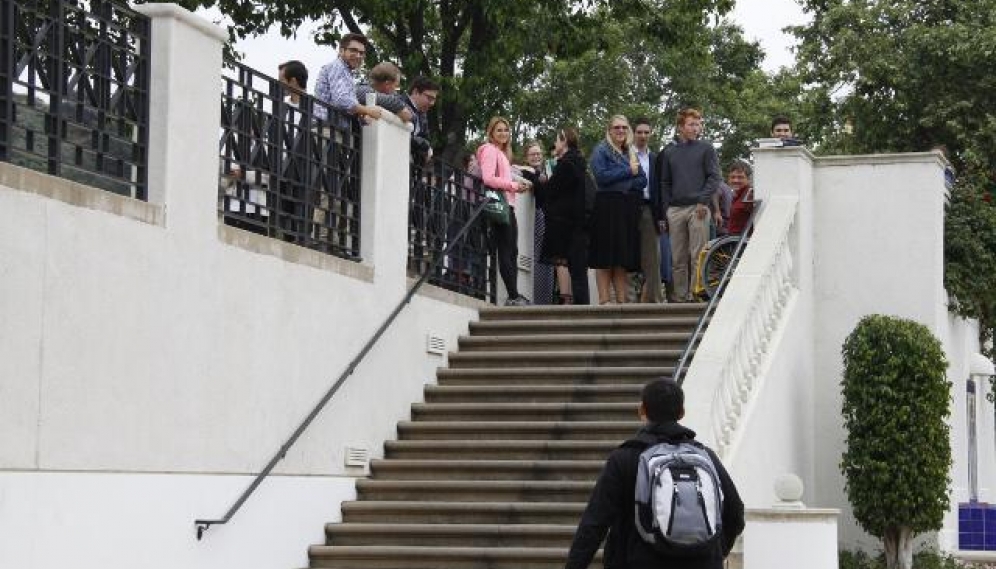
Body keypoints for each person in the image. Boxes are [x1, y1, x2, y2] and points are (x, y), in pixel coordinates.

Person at [564, 377, 745, 569]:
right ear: (682, 412)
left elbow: (594, 524)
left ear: (642, 410)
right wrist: (714, 549)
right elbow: (735, 512)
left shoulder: (625, 458)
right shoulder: (705, 456)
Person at [660, 108, 721, 303]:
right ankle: (680, 297)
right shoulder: (669, 152)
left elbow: (714, 177)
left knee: (698, 254)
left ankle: (697, 294)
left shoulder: (706, 149)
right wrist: (666, 209)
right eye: (691, 124)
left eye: (698, 123)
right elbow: (664, 182)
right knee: (677, 258)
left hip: (698, 207)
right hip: (675, 209)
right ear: (680, 127)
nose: (696, 128)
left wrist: (703, 201)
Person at [589, 115, 646, 305]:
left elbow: (643, 180)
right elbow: (602, 177)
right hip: (606, 206)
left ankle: (622, 303)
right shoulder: (601, 150)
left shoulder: (631, 151)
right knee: (604, 256)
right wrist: (629, 171)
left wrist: (626, 181)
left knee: (622, 256)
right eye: (616, 128)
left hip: (625, 208)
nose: (621, 131)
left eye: (624, 127)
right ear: (609, 130)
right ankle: (605, 301)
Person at [478, 116, 531, 306]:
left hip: (507, 206)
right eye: (499, 130)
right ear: (491, 132)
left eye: (506, 130)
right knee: (506, 251)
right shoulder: (490, 150)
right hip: (499, 206)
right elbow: (488, 178)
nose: (503, 133)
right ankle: (513, 295)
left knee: (512, 251)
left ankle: (513, 294)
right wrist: (513, 186)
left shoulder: (501, 153)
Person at [533, 128, 587, 305]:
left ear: (564, 142)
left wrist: (532, 178)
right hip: (576, 223)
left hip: (567, 225)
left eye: (557, 140)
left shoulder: (566, 164)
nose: (555, 144)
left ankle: (582, 311)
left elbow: (551, 190)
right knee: (577, 270)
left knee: (576, 270)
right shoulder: (577, 162)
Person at [313, 33, 382, 125]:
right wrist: (367, 110)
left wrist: (361, 115)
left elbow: (344, 104)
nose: (358, 55)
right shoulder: (338, 67)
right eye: (353, 50)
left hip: (331, 128)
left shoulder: (345, 71)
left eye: (361, 53)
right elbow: (342, 100)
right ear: (341, 51)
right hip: (327, 129)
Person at [632, 118, 664, 303]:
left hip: (648, 209)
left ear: (650, 134)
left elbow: (658, 188)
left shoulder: (655, 158)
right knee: (626, 255)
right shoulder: (624, 154)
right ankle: (626, 300)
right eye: (639, 132)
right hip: (628, 209)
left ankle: (655, 300)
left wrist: (660, 216)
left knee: (653, 258)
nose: (643, 136)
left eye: (646, 132)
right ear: (633, 133)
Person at [520, 141, 555, 305]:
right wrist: (538, 177)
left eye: (539, 154)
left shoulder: (546, 172)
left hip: (549, 218)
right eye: (533, 154)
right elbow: (538, 189)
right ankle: (538, 301)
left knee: (548, 262)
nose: (536, 157)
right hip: (536, 217)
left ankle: (546, 300)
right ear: (526, 157)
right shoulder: (526, 172)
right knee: (538, 258)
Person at [403, 76, 441, 163]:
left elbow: (426, 138)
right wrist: (424, 145)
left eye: (434, 100)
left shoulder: (422, 114)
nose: (432, 103)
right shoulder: (399, 105)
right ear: (415, 92)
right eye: (429, 98)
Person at [725, 160, 754, 235]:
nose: (735, 180)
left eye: (740, 177)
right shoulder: (737, 195)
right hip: (733, 240)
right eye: (732, 177)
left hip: (742, 242)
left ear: (748, 179)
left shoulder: (750, 195)